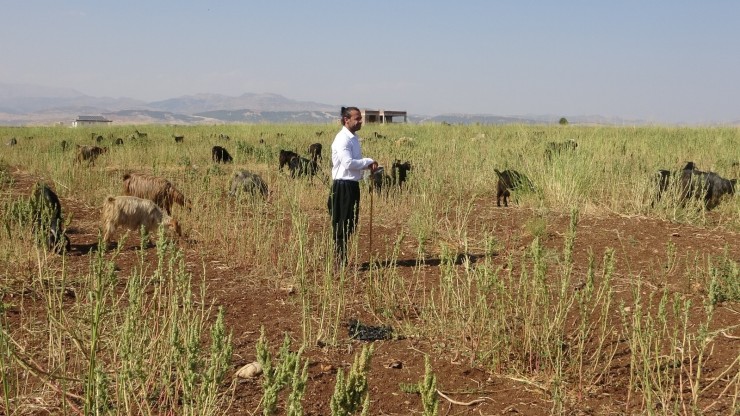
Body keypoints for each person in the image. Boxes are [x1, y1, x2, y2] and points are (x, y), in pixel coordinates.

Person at [328, 107, 378, 264]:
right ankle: (339, 260)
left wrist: (367, 167)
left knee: (350, 222)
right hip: (342, 186)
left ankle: (341, 257)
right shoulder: (342, 139)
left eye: (360, 118)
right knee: (343, 222)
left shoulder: (354, 138)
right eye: (357, 118)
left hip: (352, 185)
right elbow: (348, 163)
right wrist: (368, 161)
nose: (360, 121)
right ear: (346, 120)